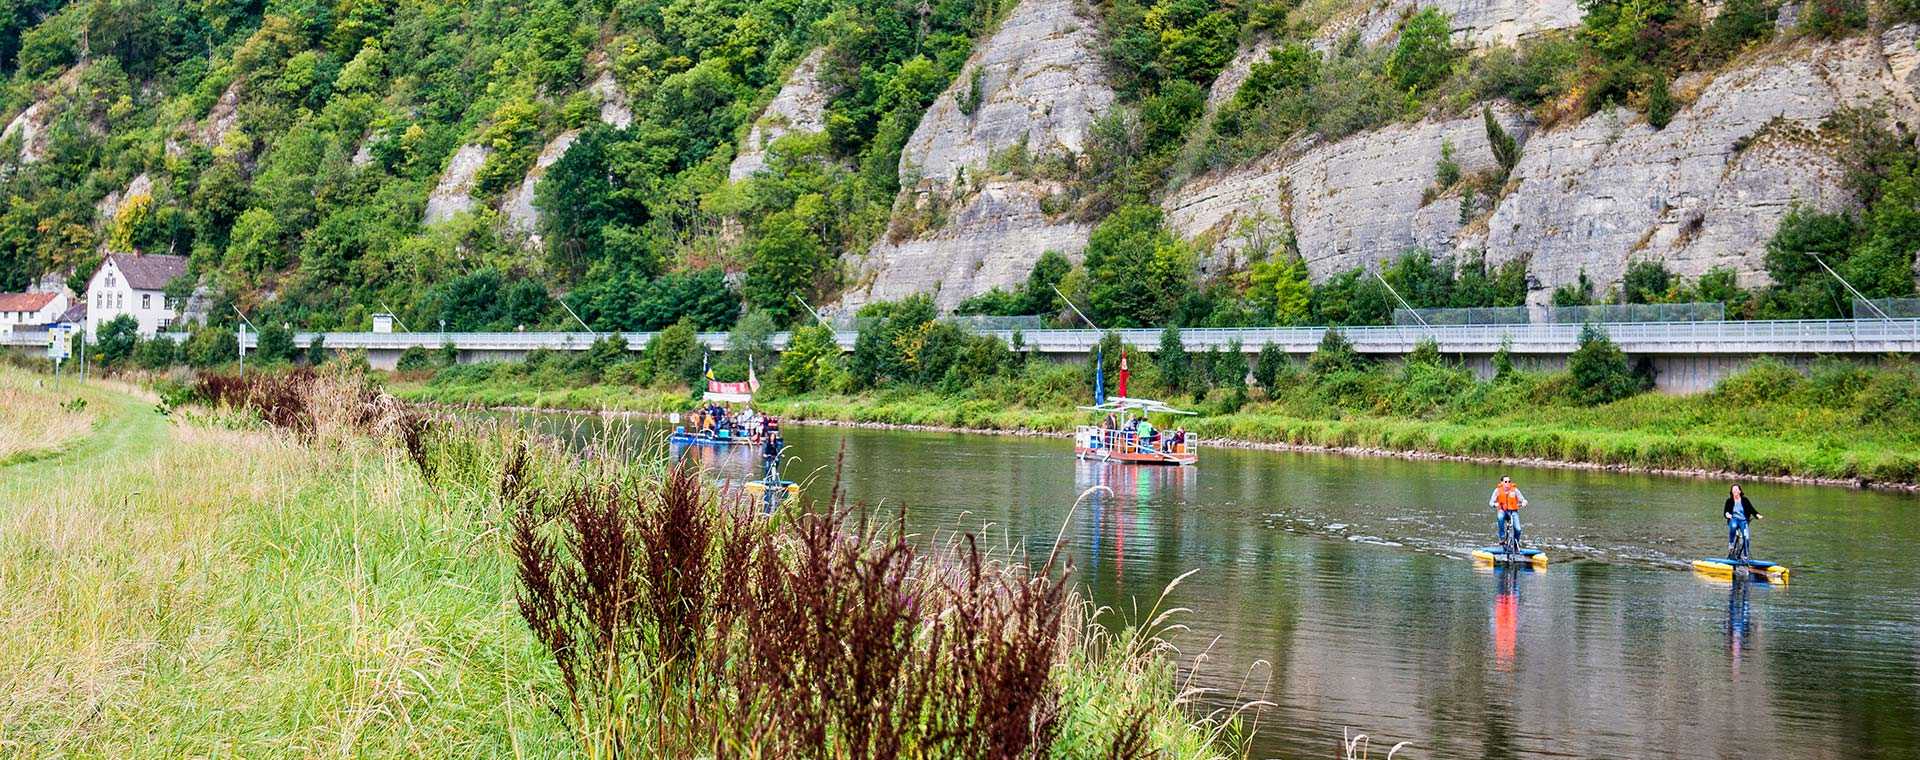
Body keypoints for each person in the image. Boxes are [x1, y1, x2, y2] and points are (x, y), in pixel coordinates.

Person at [1723, 484, 1761, 560]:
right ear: (1732, 492)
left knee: (1746, 537)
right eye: (1733, 490)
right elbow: (1725, 512)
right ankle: (1731, 544)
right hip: (1733, 519)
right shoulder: (1729, 501)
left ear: (1740, 491)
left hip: (1743, 521)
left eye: (1736, 489)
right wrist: (1727, 515)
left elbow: (1751, 509)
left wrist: (1757, 515)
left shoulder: (1745, 500)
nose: (1735, 491)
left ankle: (1746, 556)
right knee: (1733, 526)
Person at [1490, 476, 1527, 547]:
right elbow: (1491, 502)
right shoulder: (1497, 490)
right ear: (1502, 483)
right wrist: (1495, 504)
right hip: (1502, 511)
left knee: (1518, 529)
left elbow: (1522, 499)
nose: (1507, 483)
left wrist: (1524, 502)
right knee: (1500, 517)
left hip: (1513, 512)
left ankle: (1516, 543)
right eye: (1505, 482)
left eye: (1509, 481)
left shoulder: (1515, 490)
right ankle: (1502, 538)